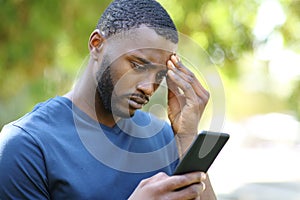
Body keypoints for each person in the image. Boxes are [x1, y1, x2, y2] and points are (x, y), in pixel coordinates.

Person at [0, 0, 216, 199]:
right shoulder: (26, 145)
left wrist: (187, 138)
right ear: (96, 44)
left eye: (160, 75)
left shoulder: (165, 138)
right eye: (138, 65)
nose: (148, 88)